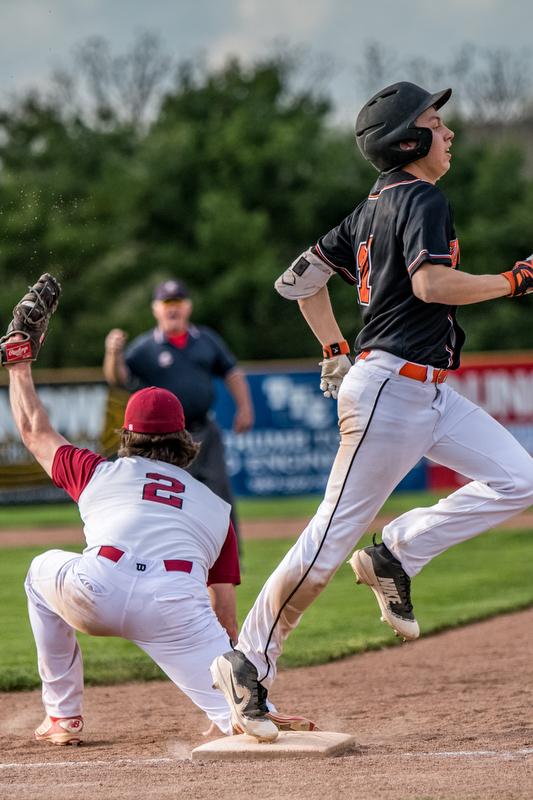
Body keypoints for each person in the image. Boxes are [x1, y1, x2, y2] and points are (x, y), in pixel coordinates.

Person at [209, 80, 533, 742]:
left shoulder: (371, 207)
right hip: (390, 388)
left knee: (518, 479)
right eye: (435, 124)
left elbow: (297, 280)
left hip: (421, 391)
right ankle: (246, 663)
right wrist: (513, 280)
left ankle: (397, 555)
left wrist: (333, 348)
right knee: (327, 539)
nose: (447, 134)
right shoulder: (422, 197)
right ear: (407, 140)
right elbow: (430, 283)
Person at [7, 352, 242, 743]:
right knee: (243, 715)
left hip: (95, 589)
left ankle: (63, 717)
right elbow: (225, 616)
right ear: (185, 439)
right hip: (176, 608)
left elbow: (34, 431)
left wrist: (18, 366)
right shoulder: (216, 509)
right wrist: (224, 673)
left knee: (38, 572)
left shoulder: (96, 470)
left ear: (127, 435)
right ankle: (237, 716)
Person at [103, 279, 254, 540]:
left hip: (206, 430)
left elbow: (232, 372)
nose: (173, 309)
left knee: (220, 498)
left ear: (188, 307)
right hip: (168, 439)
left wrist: (245, 407)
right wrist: (113, 353)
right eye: (166, 303)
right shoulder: (145, 347)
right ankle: (177, 553)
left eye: (178, 303)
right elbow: (118, 377)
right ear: (156, 309)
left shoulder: (205, 339)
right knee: (174, 500)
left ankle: (228, 561)